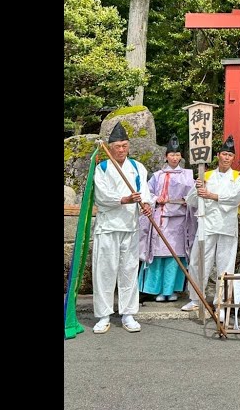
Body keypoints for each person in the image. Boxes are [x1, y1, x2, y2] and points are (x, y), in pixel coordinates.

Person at [91, 122, 154, 334]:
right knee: (105, 271)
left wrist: (146, 205)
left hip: (130, 226)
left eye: (125, 145)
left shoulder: (137, 167)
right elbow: (101, 196)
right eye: (117, 146)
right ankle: (103, 315)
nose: (121, 149)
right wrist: (125, 199)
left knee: (128, 270)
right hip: (108, 227)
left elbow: (144, 192)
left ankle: (128, 313)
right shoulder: (103, 168)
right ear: (110, 147)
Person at [182, 136, 240, 318]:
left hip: (227, 225)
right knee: (198, 260)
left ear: (233, 158)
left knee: (225, 265)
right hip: (207, 223)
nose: (226, 158)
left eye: (230, 155)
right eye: (224, 154)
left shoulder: (239, 177)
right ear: (218, 155)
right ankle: (196, 299)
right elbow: (191, 201)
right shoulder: (206, 175)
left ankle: (222, 302)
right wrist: (197, 188)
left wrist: (211, 195)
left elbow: (235, 199)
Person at [138, 136, 197, 303]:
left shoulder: (187, 175)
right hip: (162, 218)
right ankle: (156, 290)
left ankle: (170, 290)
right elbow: (146, 193)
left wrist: (188, 200)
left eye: (178, 154)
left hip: (179, 221)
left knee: (175, 256)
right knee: (158, 255)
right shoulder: (157, 176)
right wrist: (157, 198)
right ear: (166, 156)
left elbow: (193, 195)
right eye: (172, 154)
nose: (175, 157)